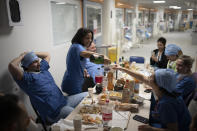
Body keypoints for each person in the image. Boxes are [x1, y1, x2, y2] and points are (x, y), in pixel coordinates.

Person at [8, 52, 88, 124]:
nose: (39, 63)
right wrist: (22, 56)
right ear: (26, 65)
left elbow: (47, 55)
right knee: (79, 117)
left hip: (65, 100)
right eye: (34, 62)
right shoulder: (26, 79)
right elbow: (12, 66)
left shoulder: (42, 69)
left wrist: (32, 53)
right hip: (55, 113)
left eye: (38, 60)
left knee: (88, 95)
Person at [113, 66, 191, 131]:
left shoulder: (166, 104)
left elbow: (173, 130)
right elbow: (142, 78)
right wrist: (122, 69)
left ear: (159, 85)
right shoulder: (169, 90)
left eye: (151, 77)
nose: (148, 77)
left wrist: (152, 129)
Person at [61, 28, 110, 95]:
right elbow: (87, 54)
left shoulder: (77, 47)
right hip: (72, 84)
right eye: (87, 38)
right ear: (80, 37)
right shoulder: (76, 47)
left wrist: (102, 61)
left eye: (91, 38)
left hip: (76, 82)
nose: (90, 40)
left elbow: (90, 59)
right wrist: (102, 57)